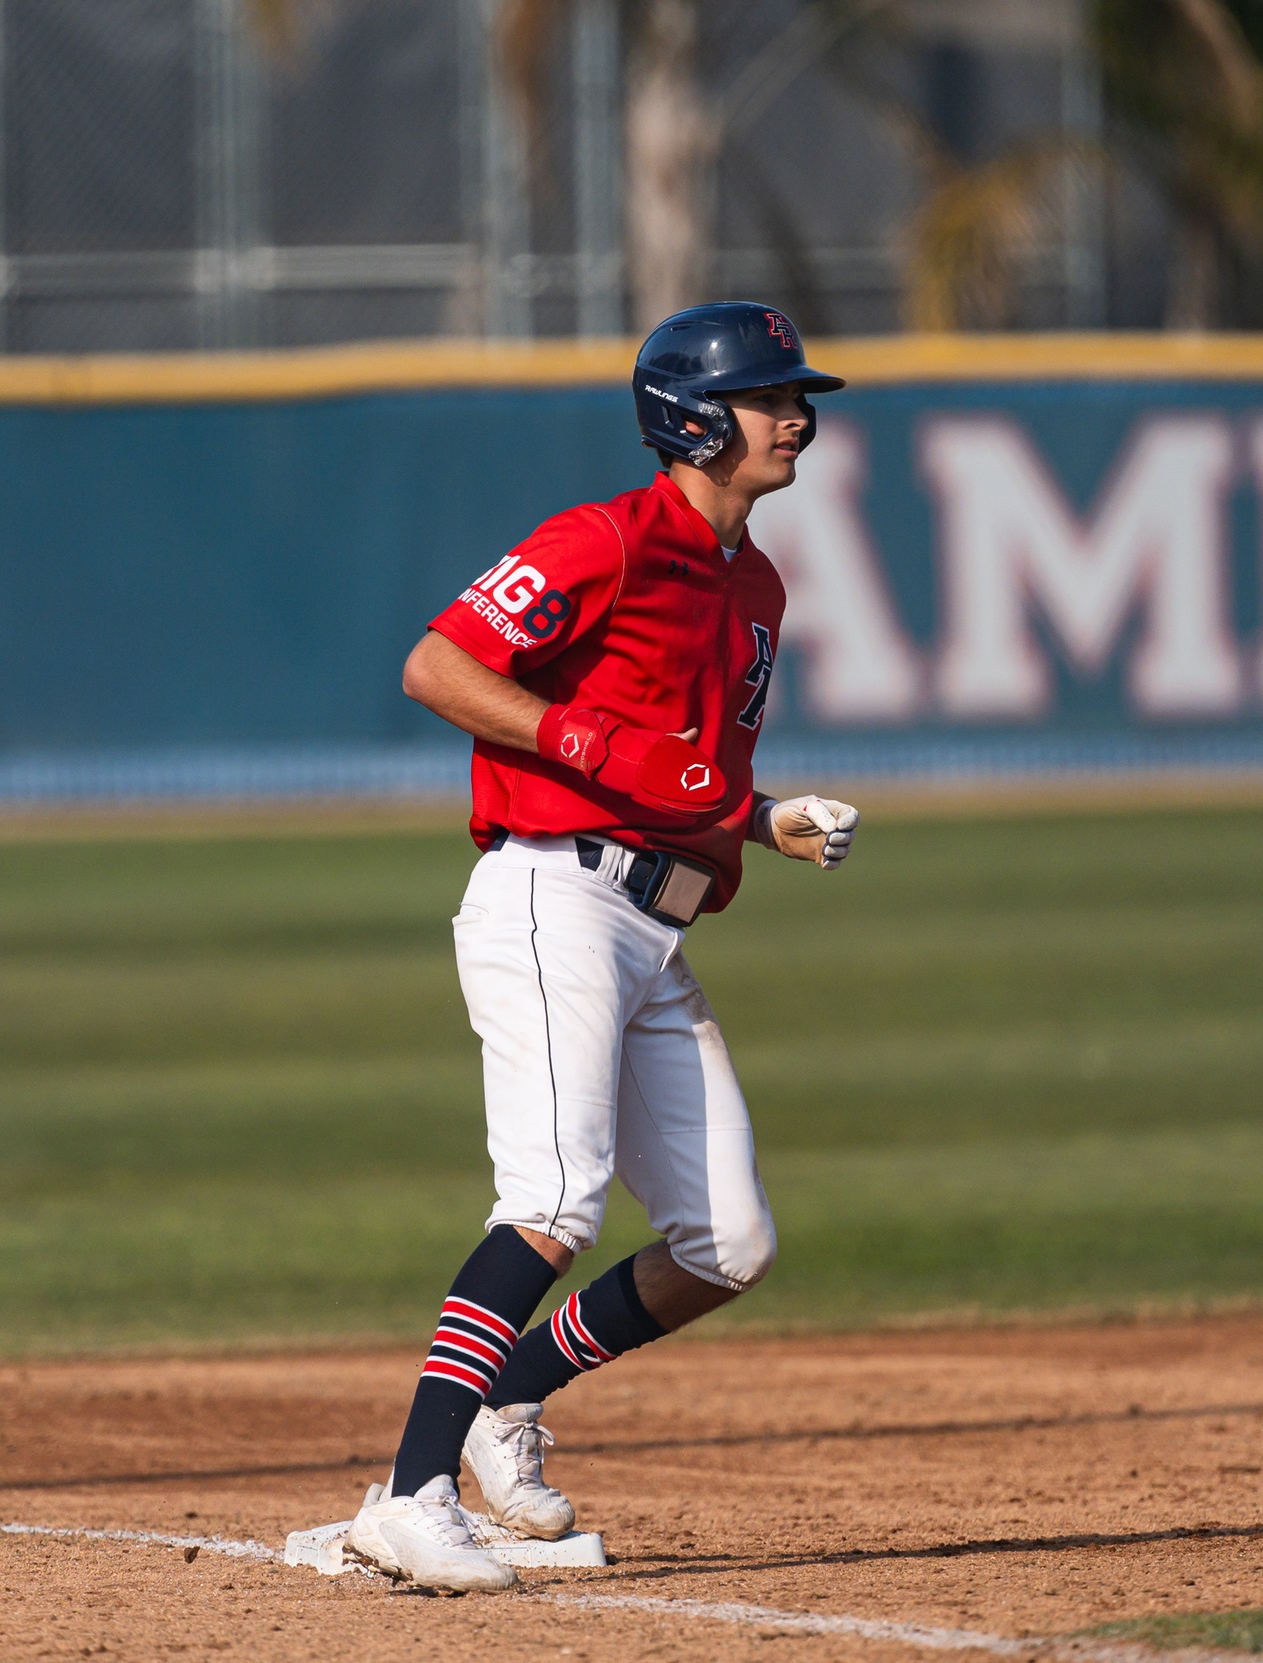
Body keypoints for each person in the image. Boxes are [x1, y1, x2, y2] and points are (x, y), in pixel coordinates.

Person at [344, 302, 862, 1592]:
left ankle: (496, 1406)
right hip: (551, 896)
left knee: (725, 1245)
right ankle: (406, 1495)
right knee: (554, 1202)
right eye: (769, 395)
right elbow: (435, 666)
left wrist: (762, 817)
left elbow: (677, 775)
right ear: (693, 421)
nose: (796, 414)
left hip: (658, 927)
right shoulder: (601, 541)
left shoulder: (757, 582)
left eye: (799, 392)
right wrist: (579, 744)